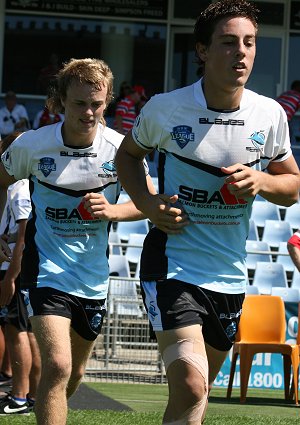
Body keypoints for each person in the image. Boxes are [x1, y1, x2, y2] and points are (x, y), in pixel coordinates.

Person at [114, 1, 300, 423]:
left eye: (250, 43)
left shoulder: (269, 114)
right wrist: (146, 203)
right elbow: (127, 158)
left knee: (191, 400)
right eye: (229, 42)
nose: (242, 52)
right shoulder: (166, 108)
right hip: (172, 264)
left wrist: (263, 182)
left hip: (229, 274)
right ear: (202, 50)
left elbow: (292, 186)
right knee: (192, 384)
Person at [0, 58, 154, 425]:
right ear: (60, 102)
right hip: (46, 272)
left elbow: (147, 203)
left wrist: (114, 211)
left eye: (97, 104)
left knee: (74, 374)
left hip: (93, 277)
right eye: (79, 104)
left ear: (108, 102)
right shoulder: (32, 145)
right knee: (57, 364)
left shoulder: (122, 150)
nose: (89, 113)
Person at [0, 148, 41, 414]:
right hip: (23, 269)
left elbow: (25, 236)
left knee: (19, 332)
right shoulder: (28, 185)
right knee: (26, 332)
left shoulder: (20, 187)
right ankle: (32, 396)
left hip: (18, 271)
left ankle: (20, 396)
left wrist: (11, 277)